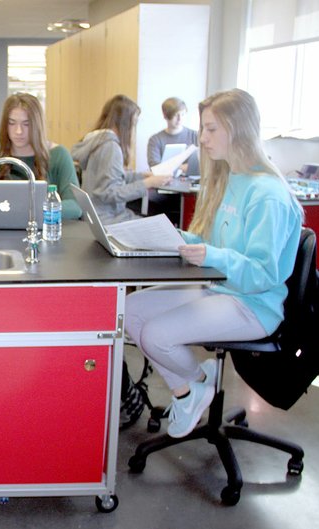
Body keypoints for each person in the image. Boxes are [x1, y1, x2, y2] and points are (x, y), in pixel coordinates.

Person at [124, 88, 303, 438]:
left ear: (238, 129)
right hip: (219, 287)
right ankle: (196, 385)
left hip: (253, 305)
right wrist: (178, 239)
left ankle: (191, 389)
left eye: (211, 129)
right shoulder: (233, 179)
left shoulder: (269, 196)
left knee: (156, 335)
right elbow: (221, 248)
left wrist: (212, 256)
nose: (202, 139)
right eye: (202, 129)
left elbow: (263, 274)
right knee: (130, 310)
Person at [0, 92, 82, 220]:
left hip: (45, 234)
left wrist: (27, 211)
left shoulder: (58, 155)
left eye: (26, 124)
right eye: (12, 123)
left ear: (37, 125)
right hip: (0, 235)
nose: (18, 131)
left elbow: (75, 206)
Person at [71, 94, 171, 224]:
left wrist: (141, 176)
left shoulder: (97, 141)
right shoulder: (111, 147)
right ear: (125, 123)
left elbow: (109, 177)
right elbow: (108, 192)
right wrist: (148, 183)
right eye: (133, 123)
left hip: (95, 216)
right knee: (158, 226)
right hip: (108, 218)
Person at [147, 97, 199, 175]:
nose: (180, 119)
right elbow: (155, 168)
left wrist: (171, 167)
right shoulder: (155, 140)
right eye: (175, 115)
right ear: (165, 115)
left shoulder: (195, 135)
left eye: (182, 114)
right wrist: (183, 167)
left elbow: (202, 164)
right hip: (163, 182)